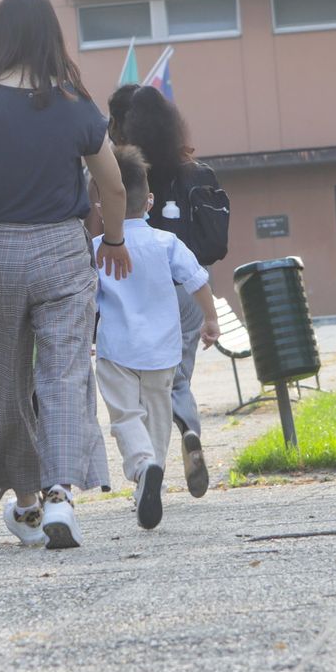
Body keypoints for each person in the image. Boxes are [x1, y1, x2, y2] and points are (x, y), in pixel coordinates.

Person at [0, 0, 132, 551]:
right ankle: (59, 496)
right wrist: (114, 238)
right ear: (51, 38)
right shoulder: (75, 103)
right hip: (63, 252)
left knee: (1, 380)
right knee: (65, 372)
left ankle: (24, 500)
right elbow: (113, 183)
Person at [92, 146, 219, 531]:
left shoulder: (97, 249)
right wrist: (210, 319)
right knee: (159, 415)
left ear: (101, 205)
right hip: (163, 350)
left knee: (125, 416)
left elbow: (84, 298)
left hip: (116, 349)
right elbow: (198, 280)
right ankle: (155, 471)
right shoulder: (167, 243)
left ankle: (141, 467)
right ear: (150, 201)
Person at [119, 85, 217, 495]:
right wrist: (210, 315)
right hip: (190, 288)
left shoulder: (127, 173)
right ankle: (189, 429)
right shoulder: (196, 172)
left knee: (141, 381)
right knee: (178, 378)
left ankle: (147, 463)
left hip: (143, 290)